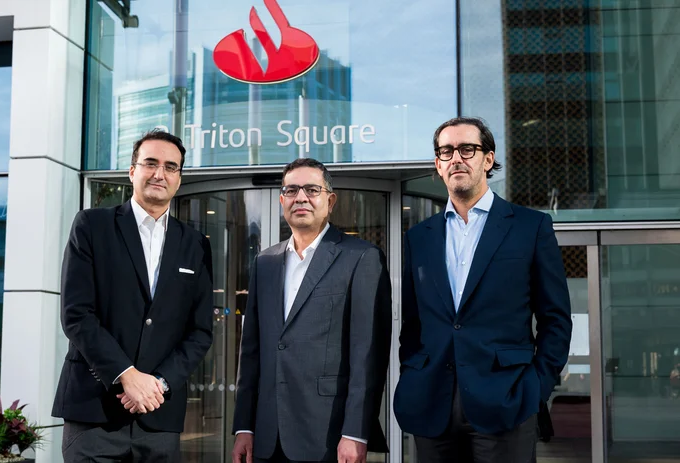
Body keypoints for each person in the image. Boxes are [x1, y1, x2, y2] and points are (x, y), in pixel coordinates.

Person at [393, 117, 573, 463]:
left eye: (467, 149)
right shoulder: (419, 237)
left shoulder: (530, 226)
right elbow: (413, 325)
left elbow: (556, 318)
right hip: (432, 403)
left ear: (488, 159)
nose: (456, 158)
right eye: (446, 151)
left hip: (507, 400)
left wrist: (536, 387)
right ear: (438, 165)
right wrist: (413, 375)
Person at [52, 129, 214, 461]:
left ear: (179, 179)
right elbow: (77, 314)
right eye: (150, 163)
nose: (159, 174)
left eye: (170, 167)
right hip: (94, 412)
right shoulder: (91, 226)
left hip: (159, 414)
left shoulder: (195, 244)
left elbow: (200, 332)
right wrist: (126, 375)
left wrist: (159, 383)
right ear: (132, 171)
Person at [231, 158, 392, 463]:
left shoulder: (361, 258)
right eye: (291, 190)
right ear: (282, 201)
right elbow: (250, 352)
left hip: (328, 435)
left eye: (312, 189)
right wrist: (244, 426)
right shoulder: (265, 263)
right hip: (266, 435)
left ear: (330, 201)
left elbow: (367, 355)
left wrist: (356, 432)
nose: (301, 197)